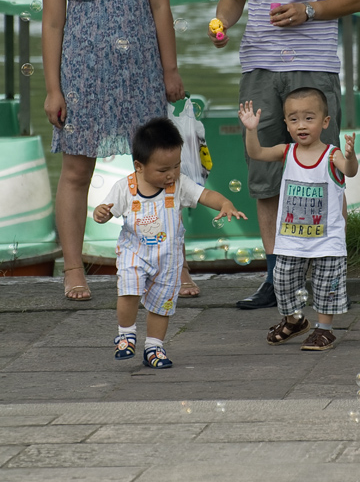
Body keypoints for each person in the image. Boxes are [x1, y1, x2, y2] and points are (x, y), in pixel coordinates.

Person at [209, 0, 360, 310]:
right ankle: (278, 277)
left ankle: (327, 272)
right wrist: (220, 22)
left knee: (321, 172)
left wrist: (309, 10)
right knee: (265, 174)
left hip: (313, 69)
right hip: (258, 67)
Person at [40, 0, 185, 303]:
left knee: (160, 169)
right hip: (82, 74)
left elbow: (161, 6)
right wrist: (53, 88)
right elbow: (52, 24)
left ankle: (174, 266)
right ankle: (73, 269)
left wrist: (170, 69)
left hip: (140, 69)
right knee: (76, 170)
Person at [93, 117, 247, 367]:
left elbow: (205, 194)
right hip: (135, 254)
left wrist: (225, 203)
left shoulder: (179, 185)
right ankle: (126, 334)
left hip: (168, 260)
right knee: (129, 290)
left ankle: (154, 347)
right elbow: (106, 211)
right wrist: (101, 213)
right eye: (163, 170)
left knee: (161, 306)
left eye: (175, 166)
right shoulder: (125, 188)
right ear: (139, 166)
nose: (171, 175)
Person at [238, 88, 358, 350]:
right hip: (292, 238)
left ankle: (324, 330)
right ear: (286, 124)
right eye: (293, 119)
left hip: (327, 239)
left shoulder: (332, 154)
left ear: (325, 122)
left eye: (309, 118)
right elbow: (257, 152)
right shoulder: (287, 151)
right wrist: (250, 129)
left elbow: (350, 171)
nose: (301, 125)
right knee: (283, 280)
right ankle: (294, 321)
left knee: (327, 286)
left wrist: (350, 156)